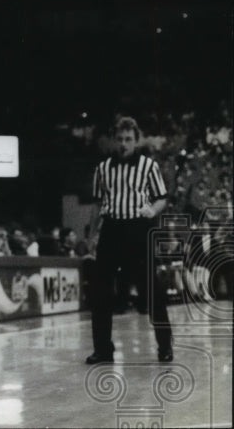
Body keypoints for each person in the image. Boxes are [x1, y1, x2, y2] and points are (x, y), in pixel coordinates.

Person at [87, 116, 173, 364]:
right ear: (115, 140)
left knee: (151, 290)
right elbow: (97, 204)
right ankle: (103, 349)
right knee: (101, 291)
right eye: (120, 139)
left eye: (128, 139)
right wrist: (92, 235)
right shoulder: (102, 169)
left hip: (137, 228)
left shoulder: (148, 166)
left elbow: (161, 198)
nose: (124, 144)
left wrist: (152, 211)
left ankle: (165, 346)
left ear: (136, 141)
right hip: (111, 229)